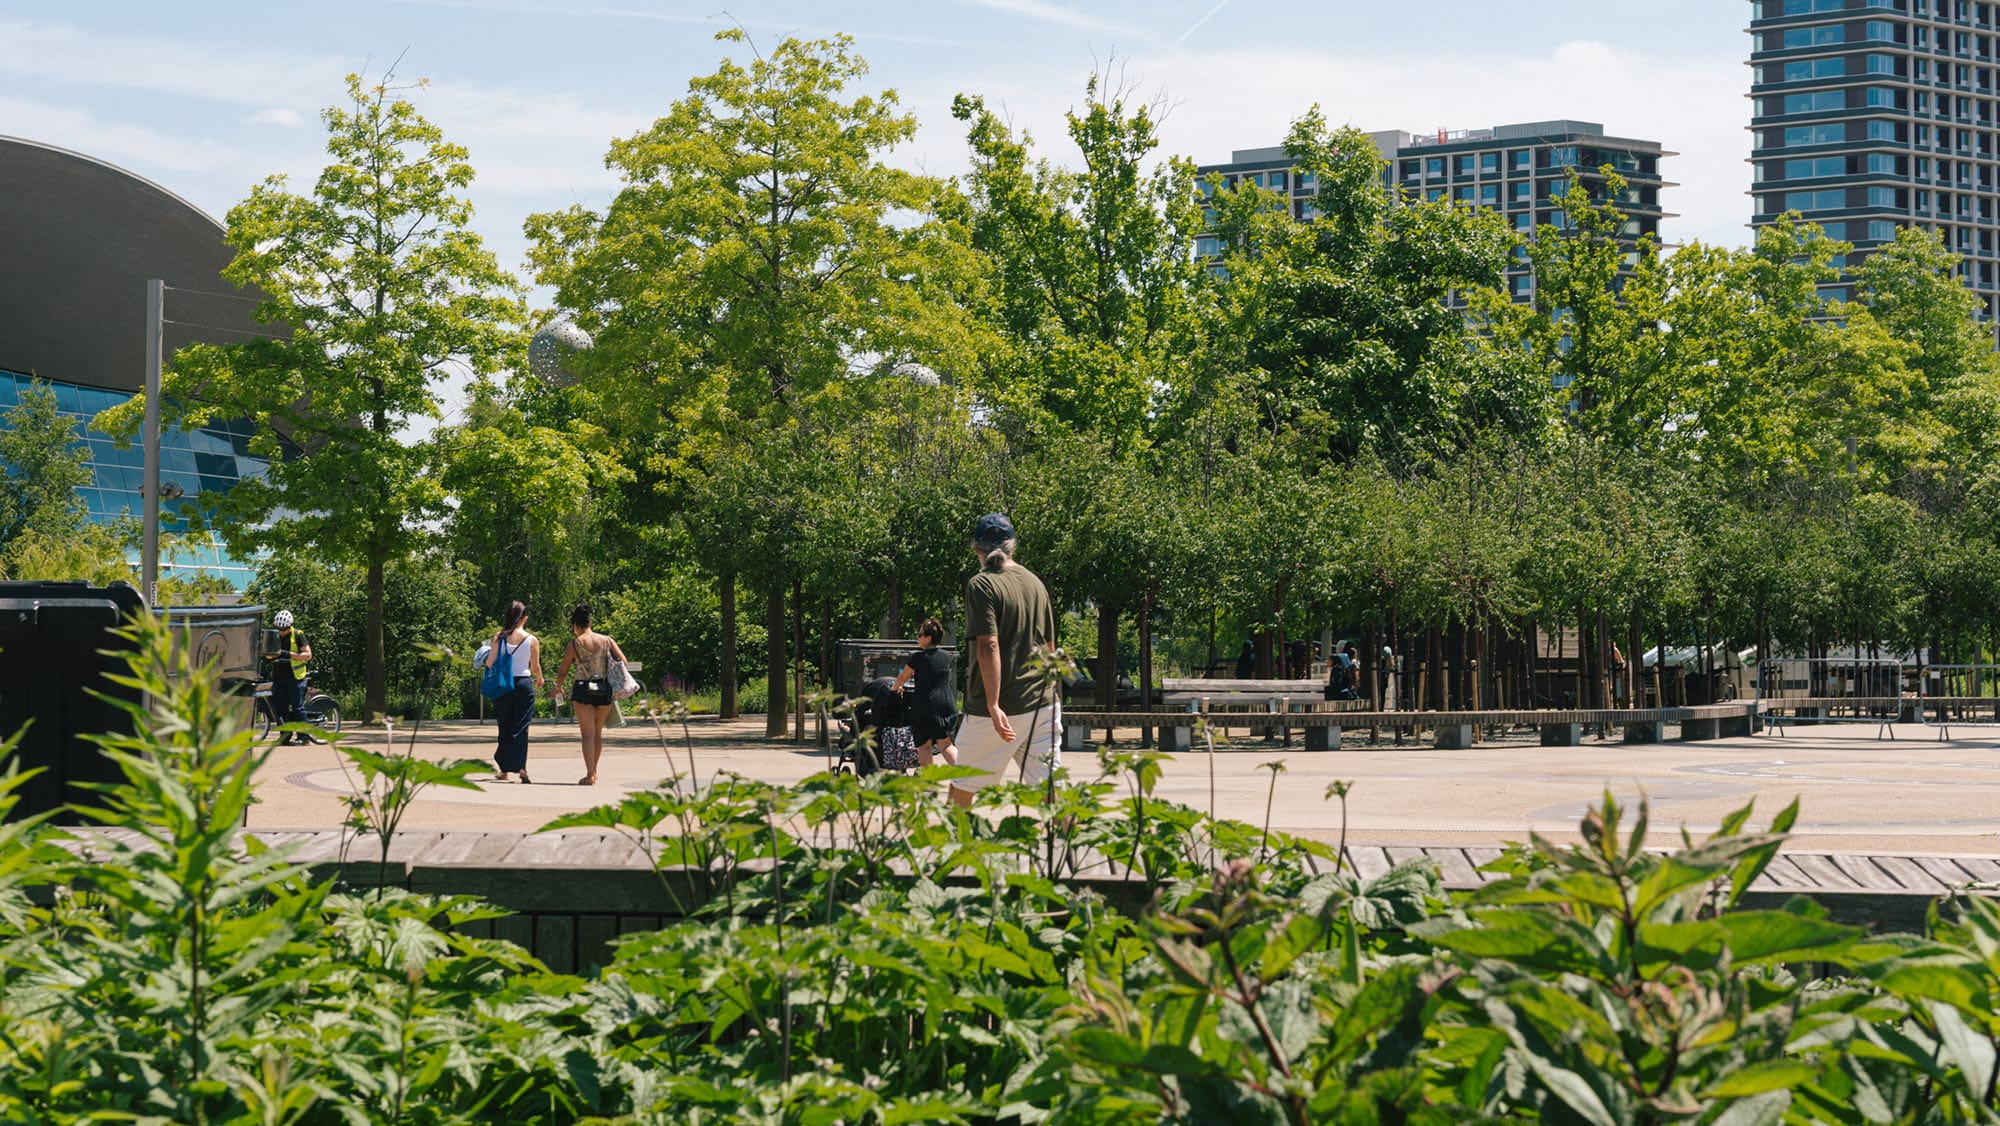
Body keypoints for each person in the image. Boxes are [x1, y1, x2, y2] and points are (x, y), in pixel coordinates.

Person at [951, 513, 1060, 808]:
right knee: (1051, 793)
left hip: (996, 711)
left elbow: (988, 645)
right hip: (1042, 704)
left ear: (977, 549)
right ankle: (1072, 850)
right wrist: (1051, 696)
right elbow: (1050, 647)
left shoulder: (982, 584)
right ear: (1013, 546)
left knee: (962, 791)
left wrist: (993, 703)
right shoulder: (1035, 583)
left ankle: (954, 852)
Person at [552, 604, 628, 786]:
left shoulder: (575, 643)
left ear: (575, 625)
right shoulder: (607, 640)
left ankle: (590, 774)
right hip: (603, 689)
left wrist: (558, 687)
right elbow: (623, 661)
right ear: (590, 622)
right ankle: (594, 771)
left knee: (587, 735)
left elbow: (563, 670)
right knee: (597, 734)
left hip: (582, 688)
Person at [481, 600, 543, 783]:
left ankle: (504, 770)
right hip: (524, 684)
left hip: (503, 685)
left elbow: (490, 662)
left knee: (504, 726)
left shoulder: (499, 636)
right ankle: (522, 768)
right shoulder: (532, 639)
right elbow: (535, 666)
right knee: (521, 727)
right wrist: (539, 678)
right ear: (524, 618)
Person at [892, 617, 959, 768]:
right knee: (946, 745)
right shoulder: (946, 657)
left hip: (925, 706)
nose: (917, 637)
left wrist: (895, 689)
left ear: (928, 638)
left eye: (920, 635)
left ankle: (929, 784)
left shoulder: (918, 658)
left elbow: (903, 677)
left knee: (924, 746)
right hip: (946, 704)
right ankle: (965, 776)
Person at [265, 609, 322, 745]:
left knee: (297, 708)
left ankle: (304, 737)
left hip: (296, 678)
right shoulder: (275, 636)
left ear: (289, 626)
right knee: (280, 708)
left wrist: (289, 654)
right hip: (279, 677)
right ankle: (285, 736)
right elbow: (269, 655)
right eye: (279, 629)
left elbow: (308, 655)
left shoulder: (298, 635)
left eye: (284, 629)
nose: (281, 632)